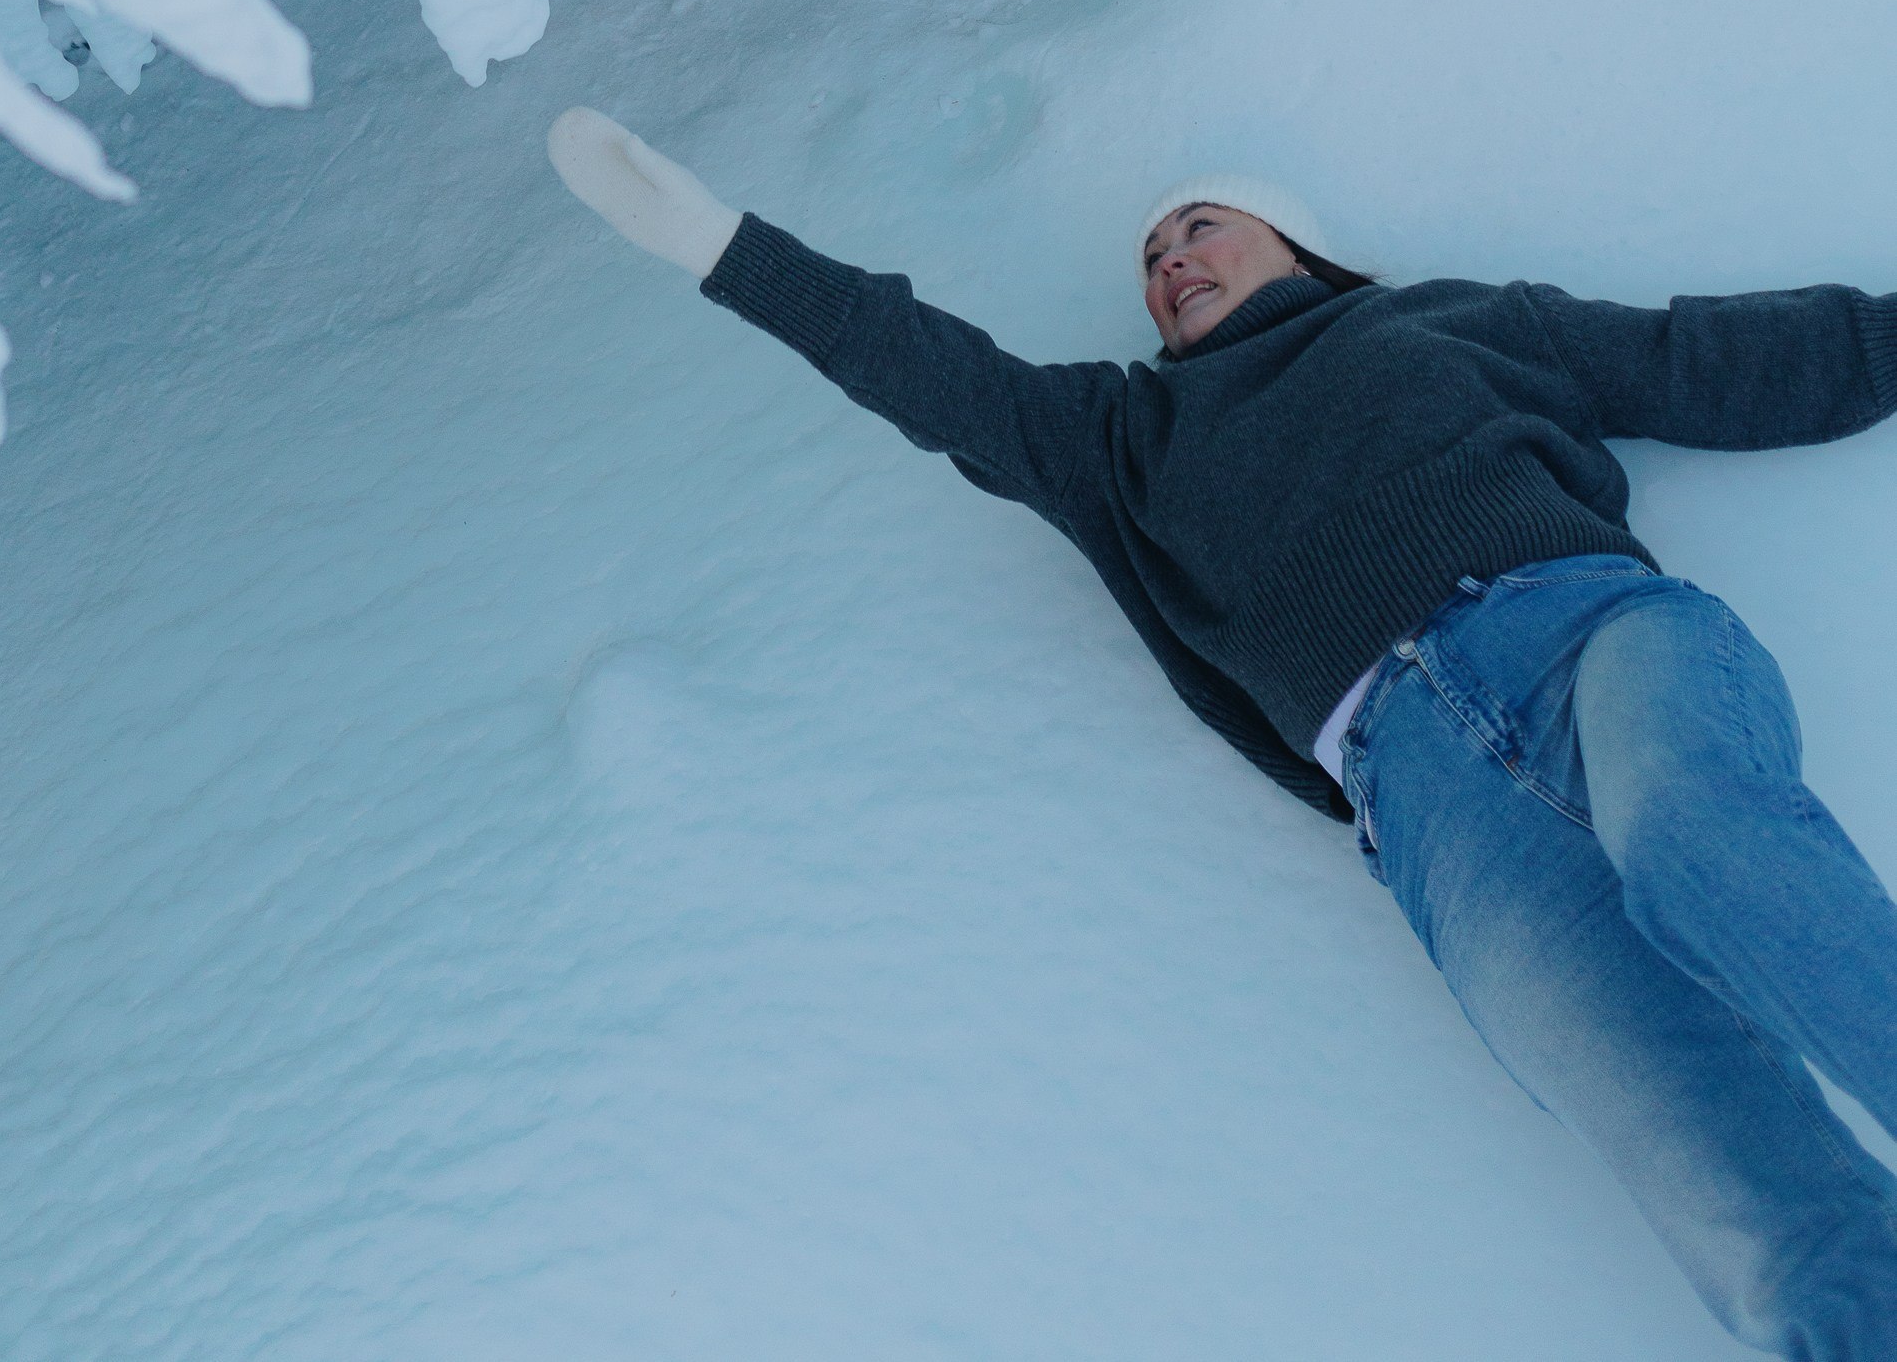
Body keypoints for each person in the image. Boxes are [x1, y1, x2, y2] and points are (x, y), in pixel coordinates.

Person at [546, 106, 1897, 1360]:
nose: (1170, 260)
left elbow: (1708, 361)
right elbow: (924, 367)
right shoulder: (1116, 438)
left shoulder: (1449, 322)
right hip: (1423, 803)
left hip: (1582, 633)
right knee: (1702, 1162)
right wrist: (717, 244)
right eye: (1149, 255)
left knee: (1697, 844)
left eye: (1199, 226)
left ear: (1294, 246)